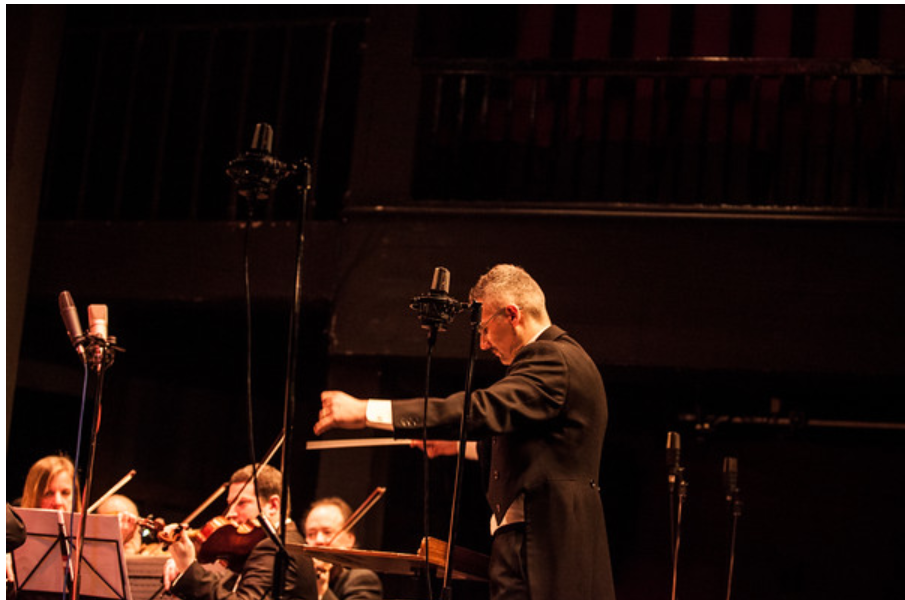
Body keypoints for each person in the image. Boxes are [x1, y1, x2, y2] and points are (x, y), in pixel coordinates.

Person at [314, 264, 616, 600]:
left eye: (485, 330)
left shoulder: (553, 357)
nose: (484, 344)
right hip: (533, 543)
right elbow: (535, 447)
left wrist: (366, 410)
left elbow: (482, 409)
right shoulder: (556, 359)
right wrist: (454, 447)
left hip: (545, 545)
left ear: (512, 315)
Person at [163, 464, 318, 600]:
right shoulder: (268, 544)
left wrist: (189, 568)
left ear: (273, 505)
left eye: (242, 503)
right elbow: (226, 588)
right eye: (230, 504)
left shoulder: (277, 546)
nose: (230, 513)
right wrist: (184, 568)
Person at [303, 497, 382, 600]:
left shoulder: (363, 580)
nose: (319, 540)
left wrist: (322, 590)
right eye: (311, 534)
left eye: (327, 532)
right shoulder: (301, 579)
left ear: (350, 539)